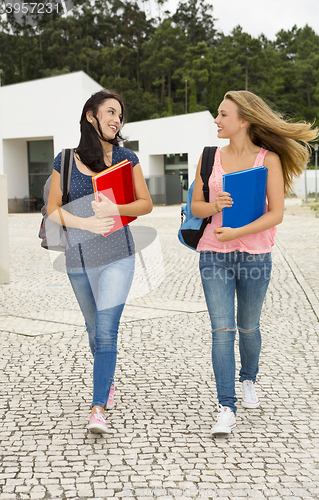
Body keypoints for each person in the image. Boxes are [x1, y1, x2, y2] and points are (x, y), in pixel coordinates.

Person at [191, 90, 319, 435]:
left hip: (255, 256)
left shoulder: (268, 160)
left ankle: (249, 379)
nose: (216, 120)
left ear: (244, 120)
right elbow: (194, 208)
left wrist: (238, 233)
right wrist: (214, 205)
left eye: (223, 114)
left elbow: (276, 214)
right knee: (222, 331)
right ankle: (226, 407)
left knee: (248, 327)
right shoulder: (208, 158)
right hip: (212, 255)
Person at [47, 89, 153, 433]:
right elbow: (52, 211)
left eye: (120, 115)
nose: (116, 120)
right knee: (94, 333)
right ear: (91, 116)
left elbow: (145, 204)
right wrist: (86, 222)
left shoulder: (126, 157)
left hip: (117, 256)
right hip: (79, 259)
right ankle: (106, 382)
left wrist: (114, 210)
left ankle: (97, 410)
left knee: (106, 332)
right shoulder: (65, 159)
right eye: (110, 112)